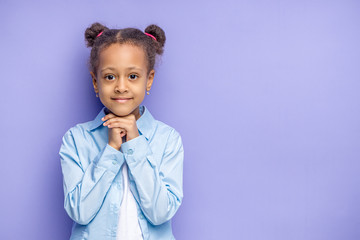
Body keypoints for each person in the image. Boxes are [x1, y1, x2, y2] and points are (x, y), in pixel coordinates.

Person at [58, 22, 184, 240]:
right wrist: (112, 149)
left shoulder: (168, 139)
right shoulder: (76, 140)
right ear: (95, 82)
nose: (121, 87)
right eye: (109, 77)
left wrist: (134, 143)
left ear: (149, 80)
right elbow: (79, 212)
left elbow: (161, 213)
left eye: (133, 76)